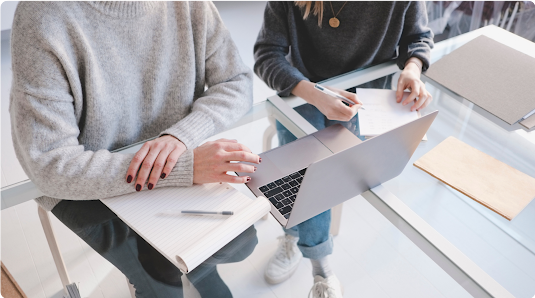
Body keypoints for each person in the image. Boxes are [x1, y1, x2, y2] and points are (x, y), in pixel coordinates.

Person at [10, 0, 260, 296]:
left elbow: (235, 81)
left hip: (176, 158)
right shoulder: (43, 14)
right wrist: (182, 169)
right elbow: (50, 164)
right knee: (161, 279)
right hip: (84, 184)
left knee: (241, 243)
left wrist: (180, 137)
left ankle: (196, 272)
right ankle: (179, 276)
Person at [254, 0, 434, 296]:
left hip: (368, 95)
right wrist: (312, 93)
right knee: (307, 161)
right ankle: (320, 266)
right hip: (304, 88)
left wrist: (413, 69)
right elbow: (266, 55)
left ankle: (295, 232)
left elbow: (418, 38)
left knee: (323, 169)